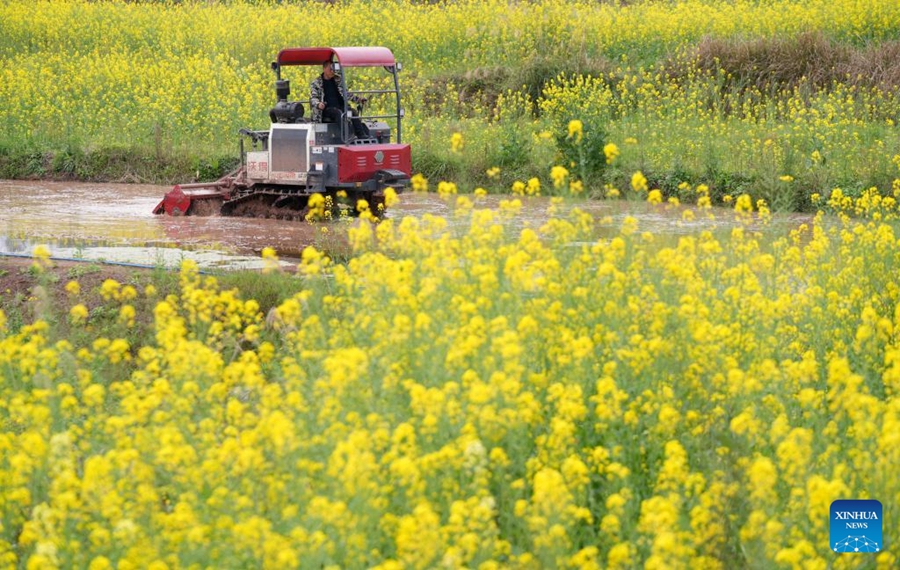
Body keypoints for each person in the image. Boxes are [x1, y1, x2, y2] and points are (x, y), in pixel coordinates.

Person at [310, 60, 370, 140]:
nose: (332, 71)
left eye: (333, 69)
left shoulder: (338, 79)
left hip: (339, 106)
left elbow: (346, 94)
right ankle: (347, 136)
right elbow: (313, 98)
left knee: (352, 111)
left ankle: (361, 135)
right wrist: (318, 104)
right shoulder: (316, 83)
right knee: (338, 113)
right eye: (330, 69)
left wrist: (358, 100)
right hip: (326, 109)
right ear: (324, 69)